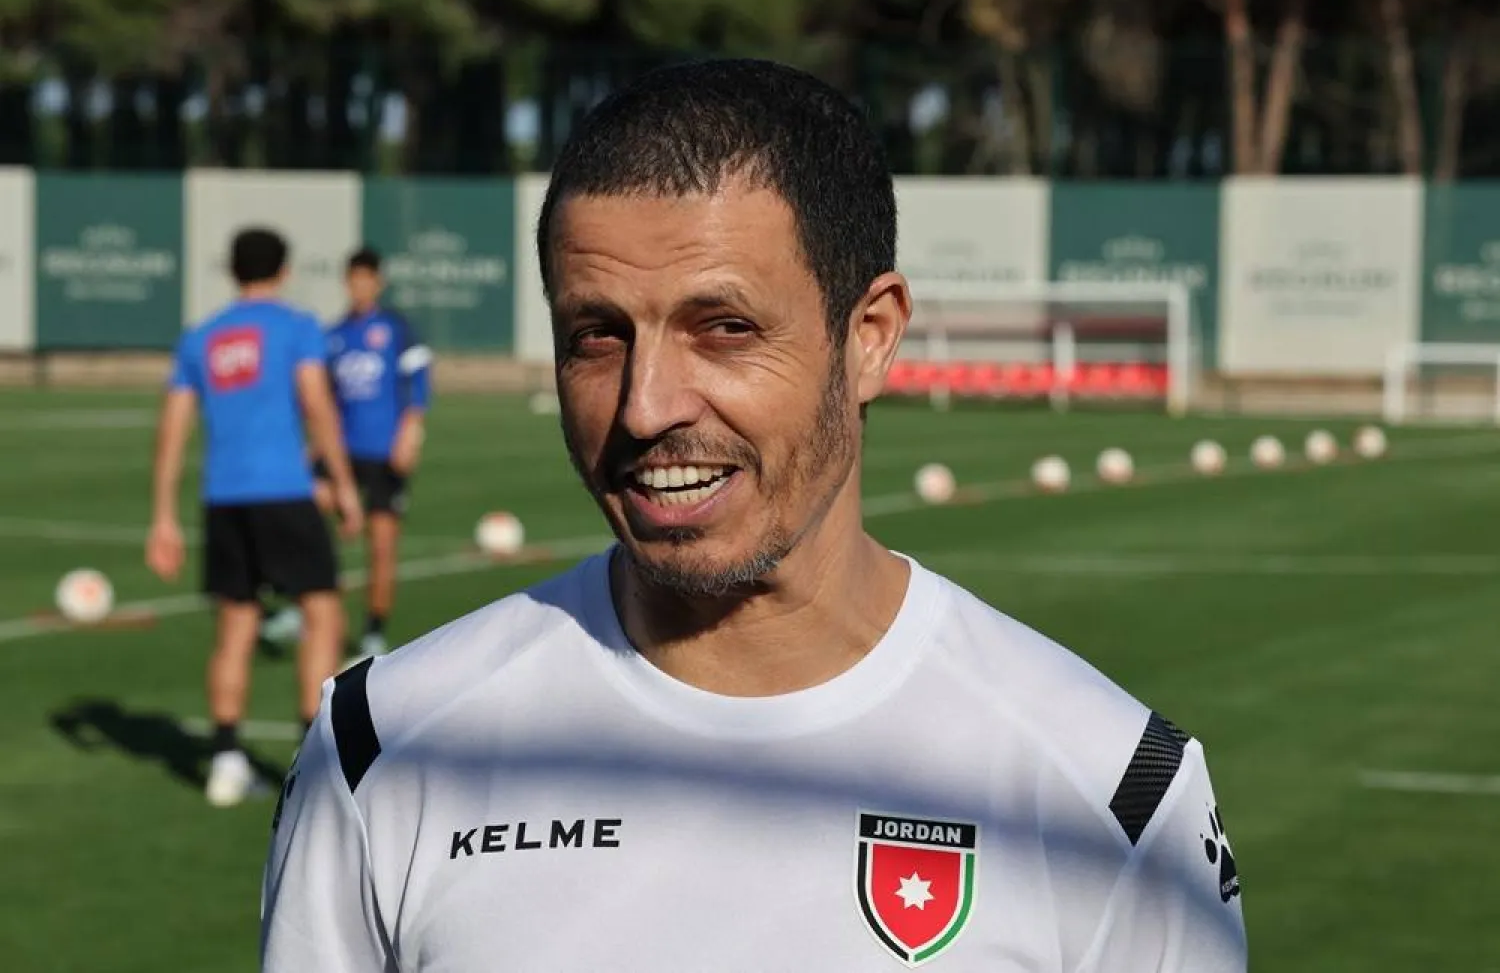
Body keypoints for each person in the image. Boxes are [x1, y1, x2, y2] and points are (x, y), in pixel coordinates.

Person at [261, 60, 1247, 971]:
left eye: (723, 328)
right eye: (595, 337)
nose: (647, 407)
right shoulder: (382, 747)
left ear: (870, 339)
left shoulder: (1109, 786)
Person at [146, 226, 364, 809]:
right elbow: (316, 404)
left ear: (231, 271)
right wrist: (343, 485)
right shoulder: (295, 328)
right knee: (322, 613)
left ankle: (224, 760)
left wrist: (163, 515)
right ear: (285, 270)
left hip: (224, 498)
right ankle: (310, 759)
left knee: (236, 627)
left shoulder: (201, 338)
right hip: (285, 491)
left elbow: (172, 429)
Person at [315, 246, 432, 663]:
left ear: (377, 283)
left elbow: (418, 382)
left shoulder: (397, 329)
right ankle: (306, 607)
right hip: (342, 452)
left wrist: (410, 432)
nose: (359, 287)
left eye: (366, 279)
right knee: (311, 519)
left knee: (381, 544)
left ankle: (373, 632)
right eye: (353, 279)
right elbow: (322, 397)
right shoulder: (334, 335)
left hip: (384, 452)